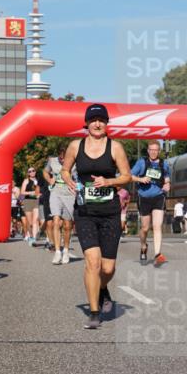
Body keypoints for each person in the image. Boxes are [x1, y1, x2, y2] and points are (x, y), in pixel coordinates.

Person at [63, 104, 131, 329]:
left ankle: (102, 288)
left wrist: (109, 181)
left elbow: (127, 176)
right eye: (93, 120)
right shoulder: (76, 146)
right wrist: (68, 179)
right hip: (85, 212)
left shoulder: (115, 147)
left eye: (102, 120)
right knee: (92, 262)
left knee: (108, 268)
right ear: (87, 123)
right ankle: (94, 312)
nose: (98, 123)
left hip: (110, 212)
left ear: (106, 123)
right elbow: (65, 169)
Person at [131, 142, 172, 266]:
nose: (153, 152)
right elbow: (129, 176)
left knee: (157, 226)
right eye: (151, 150)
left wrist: (167, 184)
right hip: (144, 198)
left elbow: (166, 178)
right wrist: (140, 179)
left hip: (158, 196)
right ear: (148, 151)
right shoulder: (141, 162)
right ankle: (143, 246)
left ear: (159, 151)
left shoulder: (164, 164)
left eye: (156, 150)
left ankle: (158, 254)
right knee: (145, 228)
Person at [44, 144, 77, 264]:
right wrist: (49, 179)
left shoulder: (75, 162)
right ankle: (58, 252)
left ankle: (66, 250)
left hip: (69, 194)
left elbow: (79, 176)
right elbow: (45, 172)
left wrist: (77, 184)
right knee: (56, 221)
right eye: (61, 158)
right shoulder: (52, 161)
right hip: (56, 192)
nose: (63, 160)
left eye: (65, 158)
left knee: (68, 226)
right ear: (58, 155)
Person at [20, 167, 40, 245]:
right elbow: (22, 192)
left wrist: (39, 194)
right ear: (28, 173)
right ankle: (30, 236)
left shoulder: (39, 180)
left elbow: (41, 190)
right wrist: (31, 192)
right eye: (30, 171)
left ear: (35, 171)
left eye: (33, 170)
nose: (32, 172)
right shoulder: (26, 181)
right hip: (28, 201)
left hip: (37, 201)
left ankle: (34, 238)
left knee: (35, 220)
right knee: (30, 222)